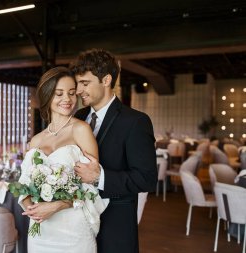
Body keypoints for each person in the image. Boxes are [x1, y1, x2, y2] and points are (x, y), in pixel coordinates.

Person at [70, 48, 158, 253]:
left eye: (85, 83)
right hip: (77, 225)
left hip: (115, 226)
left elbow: (147, 178)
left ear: (106, 80)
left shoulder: (136, 121)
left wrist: (99, 177)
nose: (79, 90)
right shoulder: (78, 117)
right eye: (77, 83)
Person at [18, 66, 108, 252]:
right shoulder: (36, 140)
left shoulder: (81, 129)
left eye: (72, 93)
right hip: (41, 231)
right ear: (47, 96)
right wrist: (32, 209)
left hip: (73, 229)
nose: (67, 99)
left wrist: (58, 205)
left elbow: (92, 185)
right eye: (59, 94)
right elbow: (24, 185)